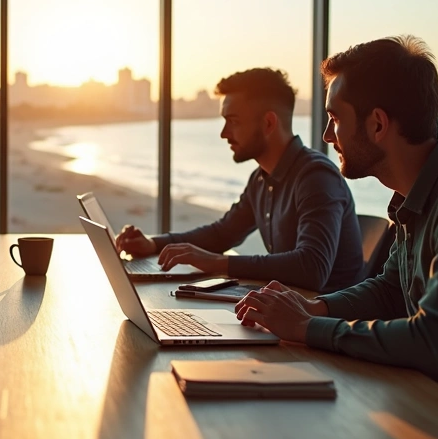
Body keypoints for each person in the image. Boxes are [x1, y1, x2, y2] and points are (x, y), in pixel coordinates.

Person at [234, 36, 438, 405]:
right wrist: (316, 307)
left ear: (377, 124)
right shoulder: (421, 194)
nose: (328, 137)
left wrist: (307, 327)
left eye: (335, 118)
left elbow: (432, 341)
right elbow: (390, 290)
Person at [115, 68, 364, 293]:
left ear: (268, 123)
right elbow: (222, 233)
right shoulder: (261, 179)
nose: (224, 133)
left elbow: (312, 268)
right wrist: (152, 243)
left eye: (232, 121)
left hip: (327, 328)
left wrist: (215, 262)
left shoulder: (316, 177)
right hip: (291, 315)